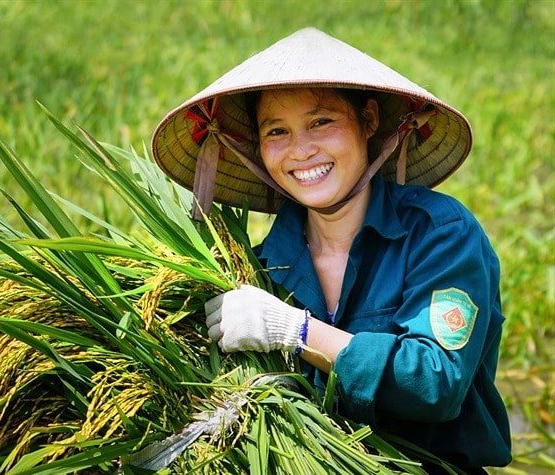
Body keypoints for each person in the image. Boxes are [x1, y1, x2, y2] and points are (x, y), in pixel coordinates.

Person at [151, 28, 511, 473]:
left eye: (321, 122)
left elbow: (436, 382)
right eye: (276, 131)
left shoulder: (441, 235)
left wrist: (298, 332)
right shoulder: (259, 269)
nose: (301, 151)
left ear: (370, 120)